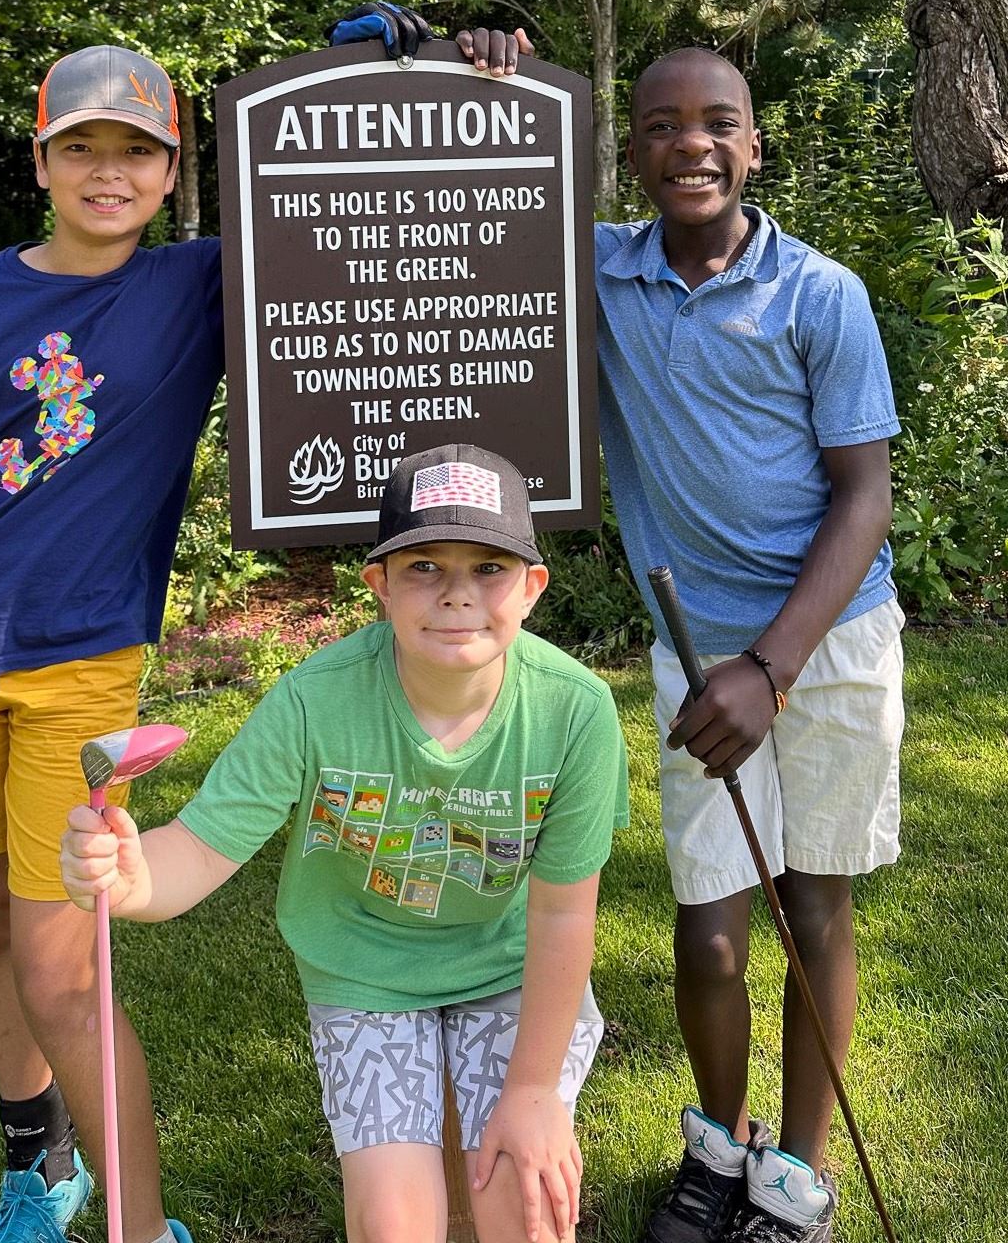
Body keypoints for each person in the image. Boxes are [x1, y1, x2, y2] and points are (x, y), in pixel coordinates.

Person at [0, 19, 538, 1243]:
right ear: (39, 160)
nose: (108, 173)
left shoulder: (195, 283)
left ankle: (142, 1227)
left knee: (63, 969)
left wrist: (440, 66)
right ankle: (42, 1169)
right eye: (81, 147)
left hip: (80, 658)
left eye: (137, 150)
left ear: (176, 170)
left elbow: (362, 211)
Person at [60, 443, 628, 1243]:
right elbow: (193, 849)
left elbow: (566, 917)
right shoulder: (312, 701)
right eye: (424, 566)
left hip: (512, 970)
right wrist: (123, 875)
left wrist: (534, 1092)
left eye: (489, 568)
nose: (458, 594)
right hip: (362, 974)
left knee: (526, 1211)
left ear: (531, 587)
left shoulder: (576, 711)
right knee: (395, 1226)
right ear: (380, 585)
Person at [597, 48, 904, 1243]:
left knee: (812, 905)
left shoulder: (820, 294)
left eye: (719, 123)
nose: (693, 145)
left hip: (827, 644)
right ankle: (719, 1151)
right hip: (696, 648)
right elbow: (475, 218)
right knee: (713, 932)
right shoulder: (599, 278)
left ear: (755, 145)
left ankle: (797, 1180)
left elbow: (864, 495)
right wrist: (458, 64)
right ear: (632, 151)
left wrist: (773, 669)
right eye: (664, 125)